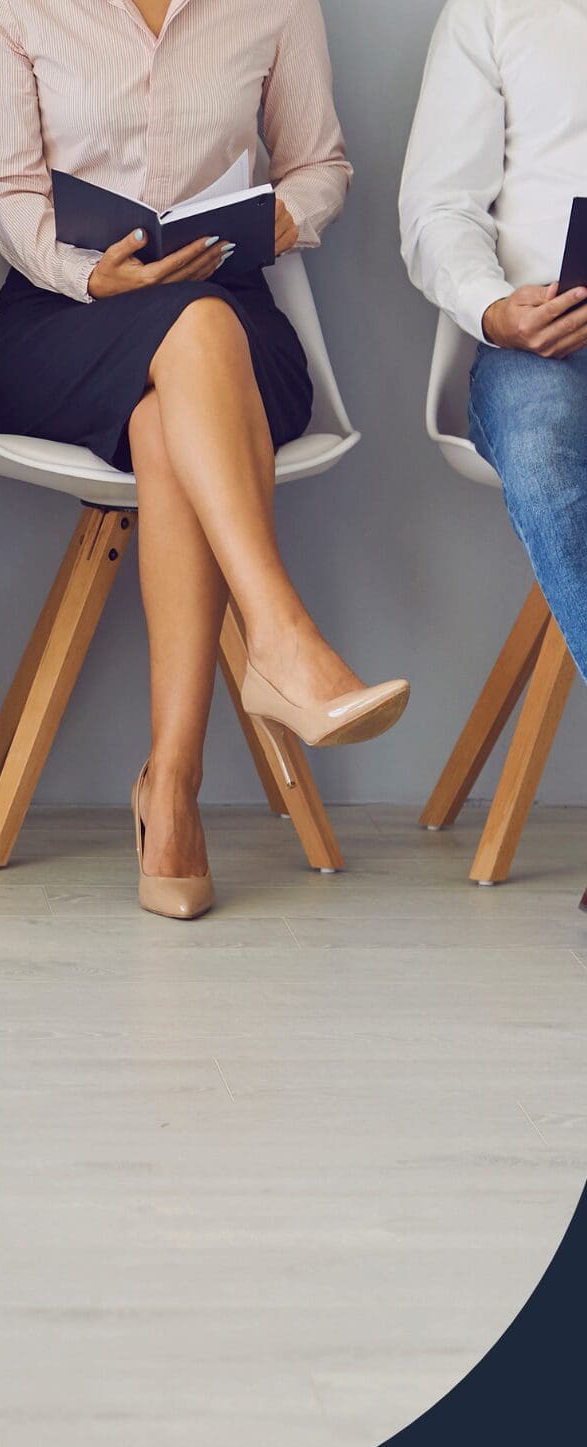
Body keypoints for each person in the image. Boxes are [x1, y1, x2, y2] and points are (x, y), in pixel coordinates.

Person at [0, 0, 409, 921]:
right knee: (183, 353)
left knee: (174, 408)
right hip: (66, 315)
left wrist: (284, 218)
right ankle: (281, 642)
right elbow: (1, 187)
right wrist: (89, 272)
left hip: (233, 319)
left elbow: (319, 163)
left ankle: (170, 785)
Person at [400, 0, 587, 908]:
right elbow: (437, 206)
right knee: (550, 463)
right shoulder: (492, 11)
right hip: (539, 344)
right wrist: (493, 306)